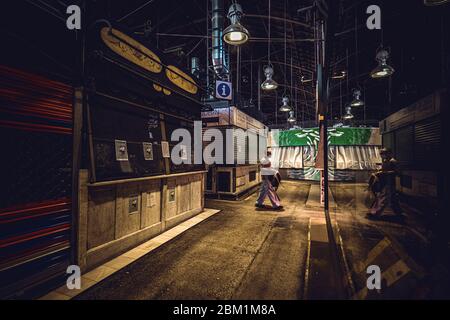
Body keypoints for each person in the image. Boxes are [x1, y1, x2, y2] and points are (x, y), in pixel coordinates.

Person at [368, 148, 403, 218]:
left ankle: (375, 212)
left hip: (389, 182)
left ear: (388, 154)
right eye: (381, 154)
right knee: (392, 198)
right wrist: (379, 171)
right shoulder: (385, 161)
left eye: (383, 154)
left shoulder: (393, 161)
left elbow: (397, 172)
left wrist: (384, 172)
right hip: (384, 181)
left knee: (383, 197)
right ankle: (399, 212)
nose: (381, 156)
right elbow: (384, 169)